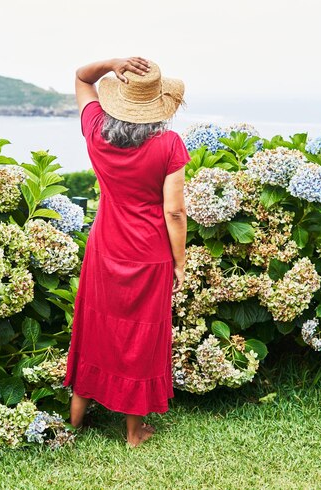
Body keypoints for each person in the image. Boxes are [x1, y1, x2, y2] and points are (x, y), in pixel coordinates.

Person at [62, 57, 191, 447]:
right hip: (149, 253)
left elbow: (82, 77)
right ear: (158, 106)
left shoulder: (96, 130)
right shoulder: (168, 144)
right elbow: (175, 211)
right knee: (141, 336)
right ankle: (134, 432)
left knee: (96, 326)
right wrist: (180, 261)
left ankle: (76, 418)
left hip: (104, 247)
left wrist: (113, 62)